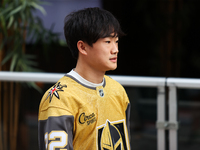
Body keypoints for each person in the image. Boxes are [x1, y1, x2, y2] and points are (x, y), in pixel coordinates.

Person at [38, 7, 131, 150]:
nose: (115, 49)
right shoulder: (60, 98)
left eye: (116, 41)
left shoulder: (118, 90)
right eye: (107, 42)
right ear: (83, 47)